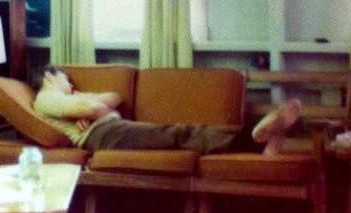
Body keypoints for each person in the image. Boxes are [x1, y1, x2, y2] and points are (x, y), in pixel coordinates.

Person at [32, 65, 246, 154]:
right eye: (66, 80)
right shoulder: (46, 98)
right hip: (102, 135)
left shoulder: (71, 97)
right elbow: (92, 107)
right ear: (49, 76)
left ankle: (247, 139)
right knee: (174, 134)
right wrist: (90, 109)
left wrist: (92, 110)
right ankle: (246, 142)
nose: (71, 86)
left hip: (109, 127)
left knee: (173, 132)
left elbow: (115, 97)